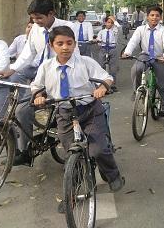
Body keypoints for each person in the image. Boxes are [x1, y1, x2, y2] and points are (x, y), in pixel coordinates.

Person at [31, 26, 124, 214]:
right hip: (64, 113)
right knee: (71, 155)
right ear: (51, 45)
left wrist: (102, 88)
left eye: (69, 43)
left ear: (74, 44)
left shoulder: (85, 62)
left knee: (98, 149)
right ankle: (70, 194)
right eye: (60, 43)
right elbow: (37, 86)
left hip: (89, 110)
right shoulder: (47, 66)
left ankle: (112, 175)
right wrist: (38, 96)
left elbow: (106, 77)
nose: (65, 47)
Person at [0, 0, 77, 166]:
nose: (36, 22)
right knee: (14, 88)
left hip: (58, 74)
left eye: (39, 18)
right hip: (38, 72)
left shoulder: (67, 28)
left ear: (51, 14)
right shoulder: (35, 29)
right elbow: (28, 52)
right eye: (33, 18)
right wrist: (12, 68)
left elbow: (72, 56)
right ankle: (24, 148)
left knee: (26, 109)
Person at [122, 5, 164, 128]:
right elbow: (133, 41)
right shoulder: (140, 29)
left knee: (163, 86)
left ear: (160, 17)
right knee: (136, 69)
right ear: (147, 16)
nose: (154, 18)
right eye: (152, 15)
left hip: (159, 57)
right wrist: (127, 52)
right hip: (145, 56)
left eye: (157, 15)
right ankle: (137, 91)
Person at [96, 16, 120, 90]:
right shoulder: (101, 32)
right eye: (108, 22)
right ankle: (101, 84)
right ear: (105, 23)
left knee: (113, 68)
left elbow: (118, 26)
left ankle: (113, 85)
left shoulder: (115, 31)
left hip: (112, 49)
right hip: (103, 49)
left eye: (111, 23)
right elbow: (98, 40)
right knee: (101, 66)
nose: (110, 24)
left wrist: (114, 20)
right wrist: (98, 41)